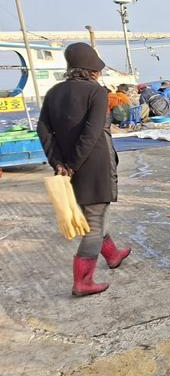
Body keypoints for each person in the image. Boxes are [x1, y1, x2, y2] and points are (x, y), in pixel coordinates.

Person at [37, 43, 131, 297]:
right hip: (93, 165)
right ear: (92, 69)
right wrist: (73, 164)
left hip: (67, 166)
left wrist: (58, 163)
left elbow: (43, 130)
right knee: (94, 223)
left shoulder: (54, 92)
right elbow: (92, 133)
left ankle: (112, 254)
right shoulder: (96, 92)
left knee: (95, 213)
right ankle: (83, 281)